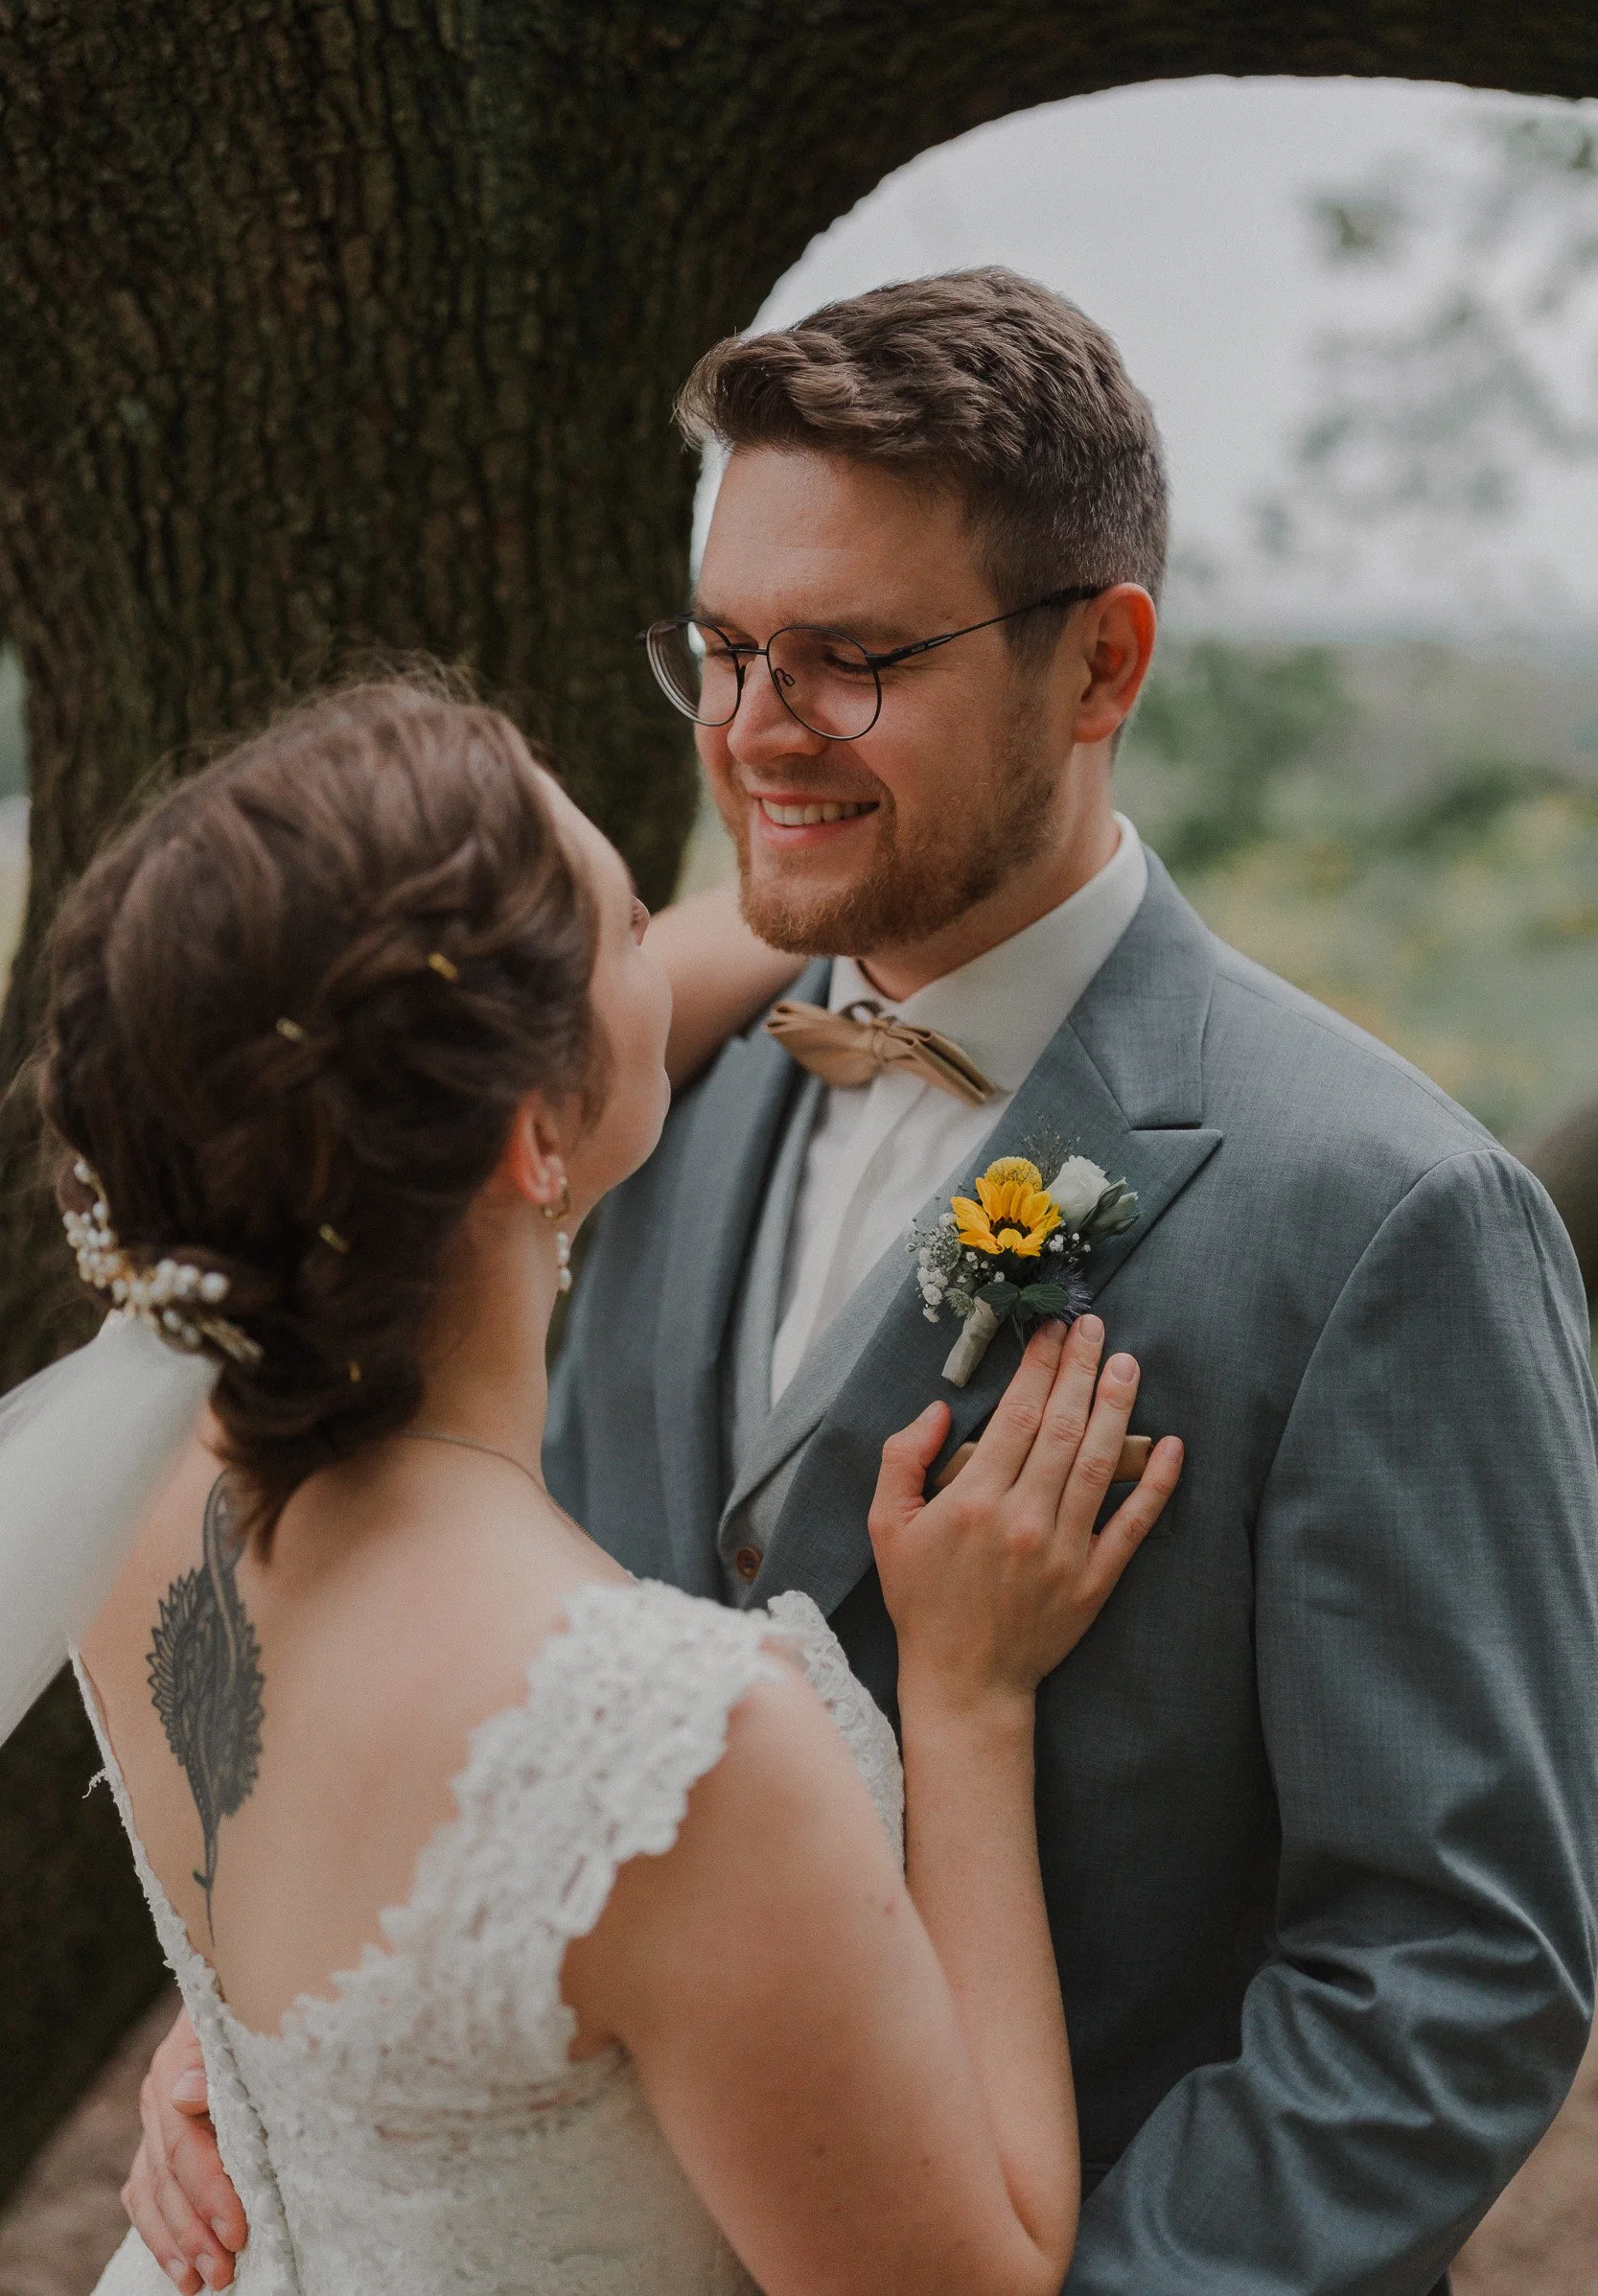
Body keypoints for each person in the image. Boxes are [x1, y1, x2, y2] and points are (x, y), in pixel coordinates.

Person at [134, 268, 1598, 2294]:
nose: (752, 728)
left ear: (1101, 665)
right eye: (723, 647)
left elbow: (1453, 1966)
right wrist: (312, 2057)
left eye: (847, 657)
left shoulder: (1385, 1215)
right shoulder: (625, 1100)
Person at [21, 671, 1179, 2296]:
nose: (670, 948)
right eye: (632, 926)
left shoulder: (137, 1506)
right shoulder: (671, 1748)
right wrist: (970, 1698)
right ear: (522, 1142)